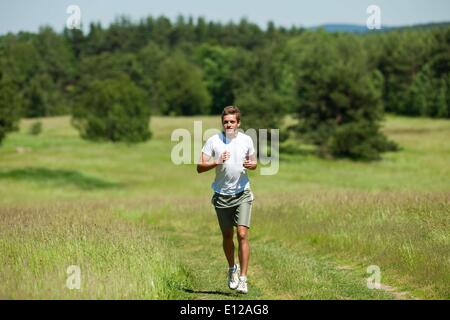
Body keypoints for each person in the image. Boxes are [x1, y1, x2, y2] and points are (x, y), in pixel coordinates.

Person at [197, 106, 257, 294]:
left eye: (232, 121)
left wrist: (252, 165)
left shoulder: (247, 140)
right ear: (222, 123)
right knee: (227, 236)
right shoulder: (214, 141)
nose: (229, 124)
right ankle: (232, 269)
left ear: (238, 123)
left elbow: (253, 163)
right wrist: (216, 162)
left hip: (243, 194)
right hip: (222, 196)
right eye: (226, 122)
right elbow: (199, 167)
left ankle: (243, 279)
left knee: (242, 234)